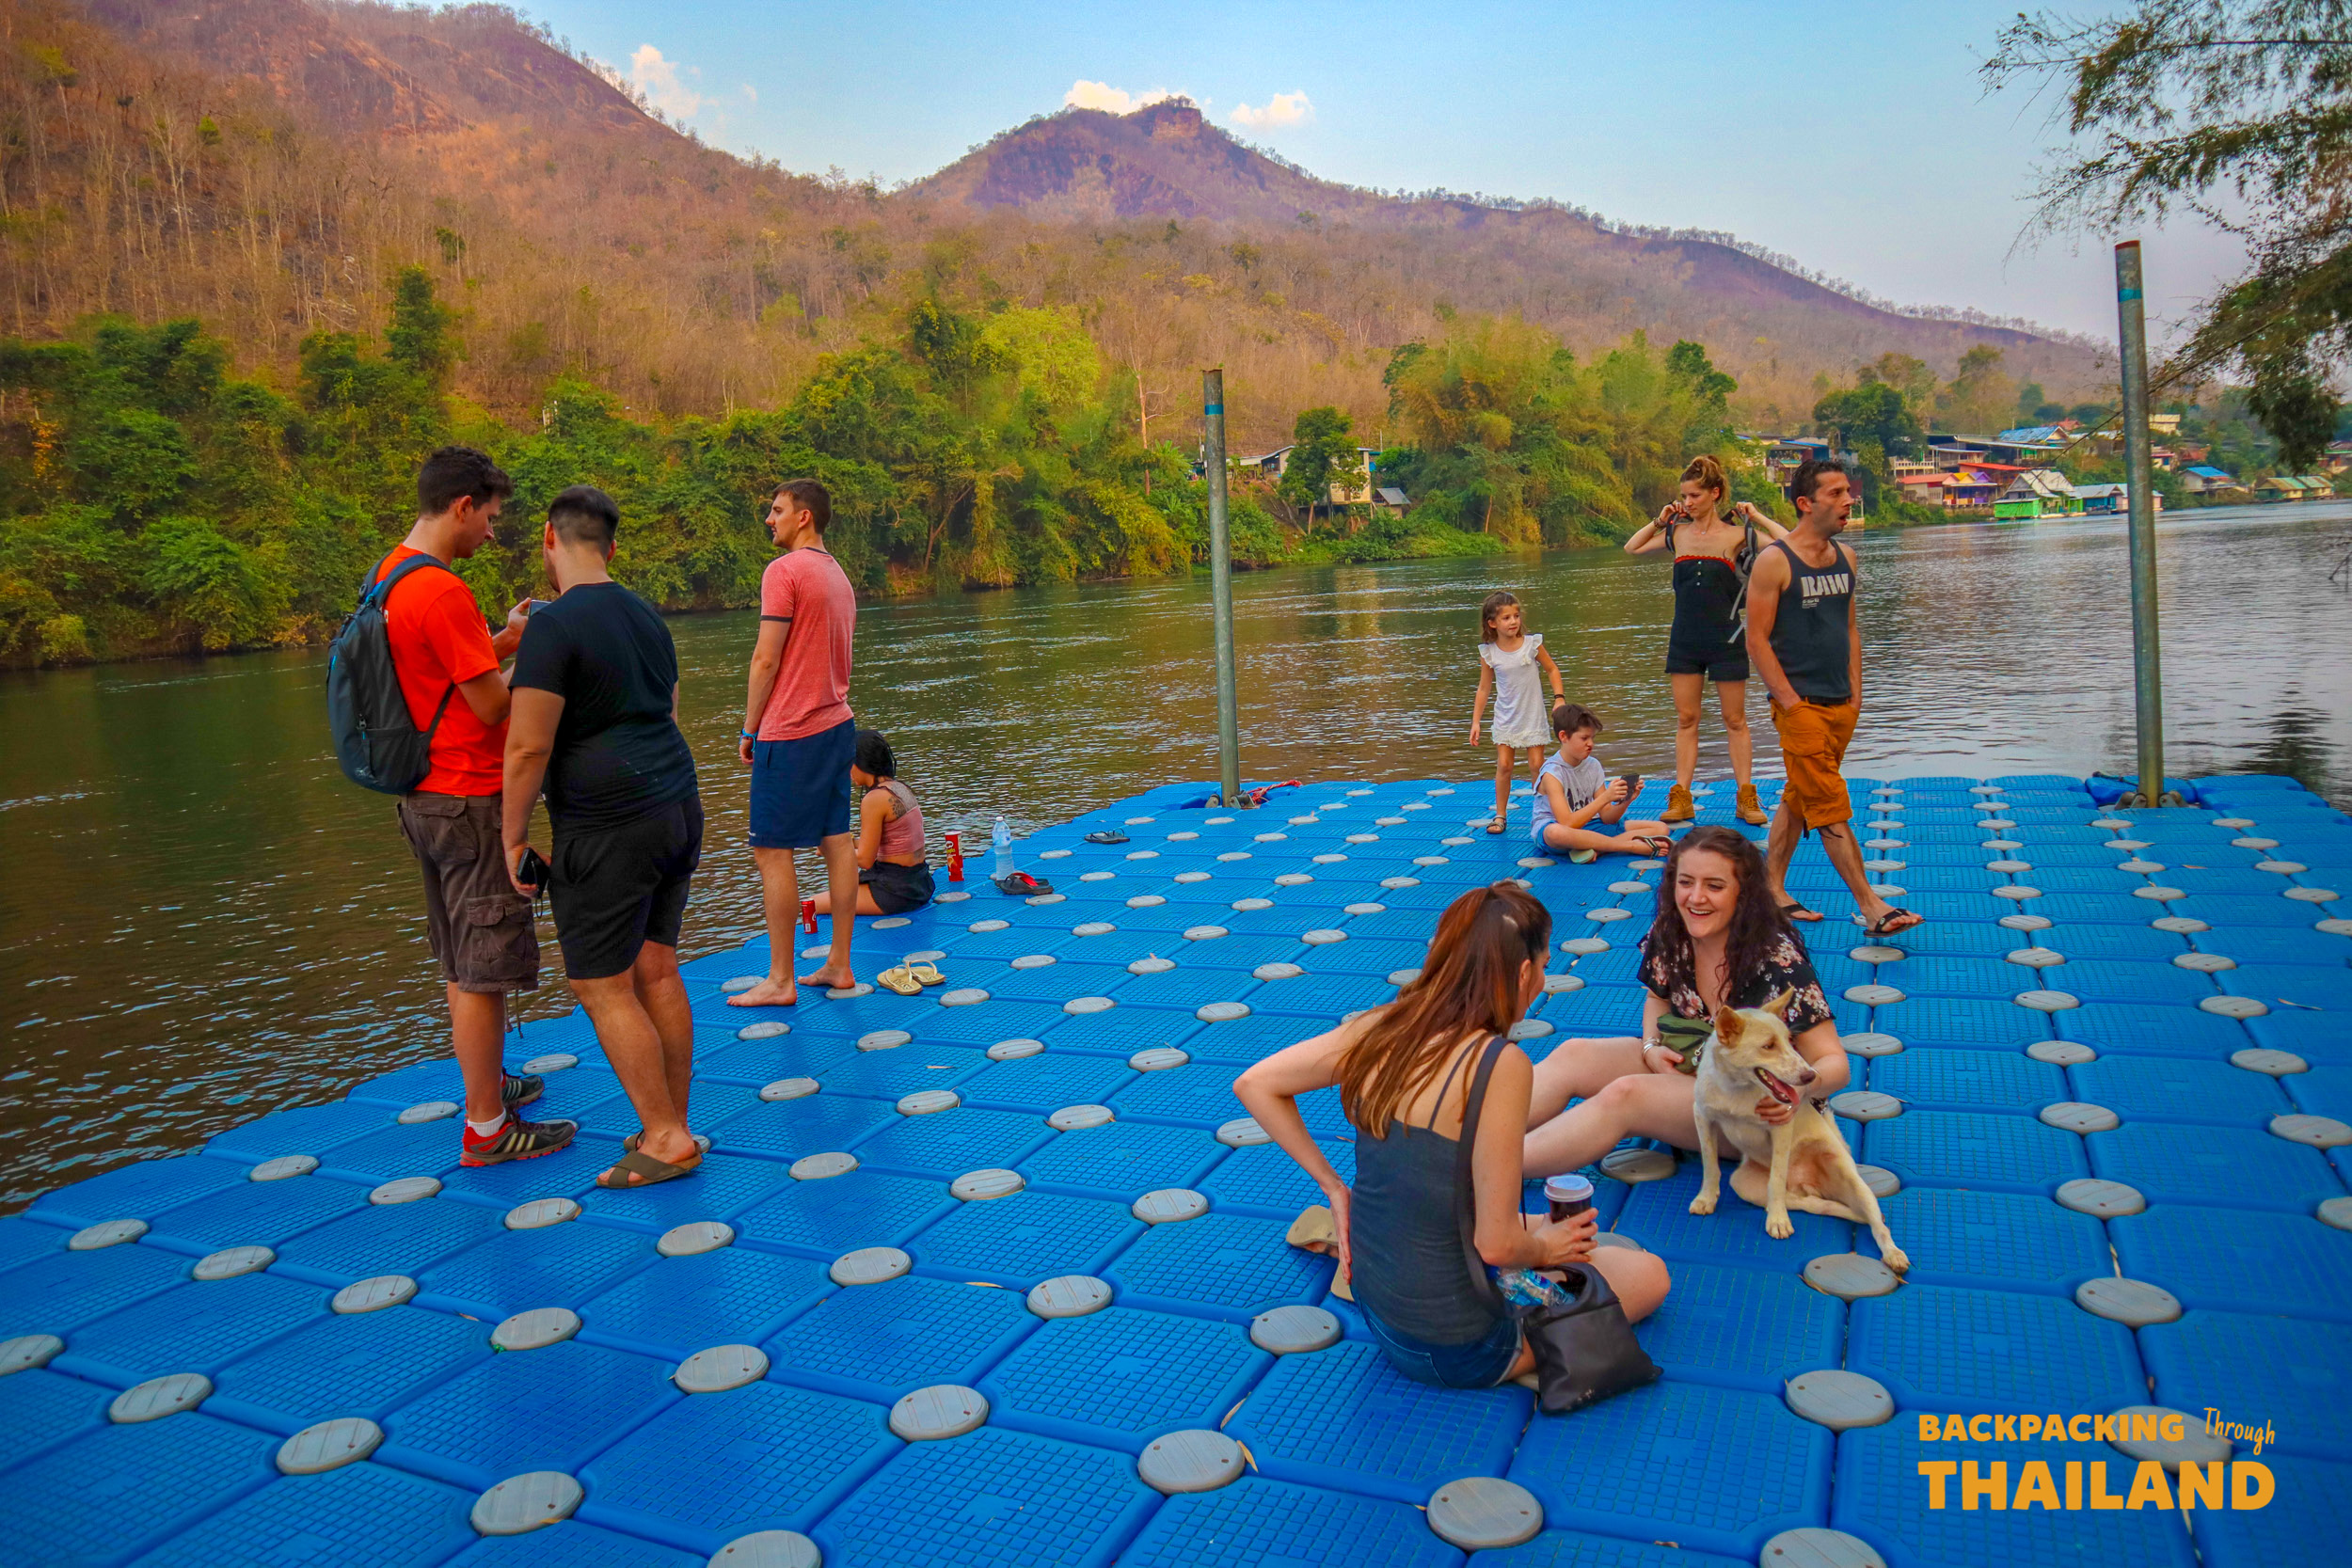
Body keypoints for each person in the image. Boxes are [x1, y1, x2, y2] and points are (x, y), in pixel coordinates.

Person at [1235, 884, 1669, 1389]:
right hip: (1462, 1348)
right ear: (1524, 972)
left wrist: (1335, 1189)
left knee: (1548, 1229)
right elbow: (1498, 1245)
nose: (1544, 980)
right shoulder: (1497, 1063)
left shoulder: (1381, 1026)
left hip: (1380, 1310)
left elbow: (1256, 1083)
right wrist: (1545, 1249)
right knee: (1646, 1272)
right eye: (1544, 965)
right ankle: (1528, 1354)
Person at [502, 485, 706, 1190]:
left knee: (598, 981)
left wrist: (511, 838)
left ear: (548, 542)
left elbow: (527, 748)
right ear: (612, 548)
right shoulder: (648, 614)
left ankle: (667, 1136)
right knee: (657, 967)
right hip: (677, 801)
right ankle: (672, 1118)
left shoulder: (553, 629)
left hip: (609, 822)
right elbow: (668, 709)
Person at [381, 446, 577, 1168]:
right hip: (468, 798)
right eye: (490, 518)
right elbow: (493, 703)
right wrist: (544, 651)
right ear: (463, 505)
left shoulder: (391, 579)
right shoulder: (441, 591)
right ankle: (489, 1126)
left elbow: (444, 674)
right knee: (484, 967)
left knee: (457, 958)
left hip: (421, 796)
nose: (493, 533)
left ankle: (488, 1083)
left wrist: (502, 640)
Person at [1519, 826, 1851, 1177]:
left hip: (1766, 1113)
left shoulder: (1777, 961)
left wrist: (1795, 1091)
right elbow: (1656, 997)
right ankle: (1464, 1137)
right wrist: (1650, 1047)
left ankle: (1487, 1170)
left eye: (1715, 886)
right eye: (1686, 882)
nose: (1696, 898)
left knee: (1627, 1095)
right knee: (1576, 1054)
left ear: (1745, 894)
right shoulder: (1673, 933)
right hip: (1696, 1068)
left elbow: (1835, 1062)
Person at [1745, 459, 1921, 936]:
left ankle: (1769, 888)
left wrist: (1857, 693)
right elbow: (1756, 640)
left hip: (1841, 704)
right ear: (1806, 504)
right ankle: (1872, 906)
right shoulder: (1775, 561)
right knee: (1829, 801)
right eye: (1836, 494)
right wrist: (1790, 703)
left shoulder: (1847, 557)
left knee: (1800, 795)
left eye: (1849, 492)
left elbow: (1849, 627)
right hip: (1798, 705)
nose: (1848, 501)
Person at [729, 480, 860, 1007]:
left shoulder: (784, 572)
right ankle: (840, 964)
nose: (769, 518)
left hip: (792, 729)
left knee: (771, 851)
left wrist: (749, 727)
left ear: (803, 517)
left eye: (777, 510)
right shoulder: (838, 576)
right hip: (837, 723)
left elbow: (766, 658)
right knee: (836, 841)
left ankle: (781, 979)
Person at [1620, 455, 1787, 827]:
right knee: (1687, 718)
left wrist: (1755, 516)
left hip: (1727, 638)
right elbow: (1631, 548)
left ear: (1715, 494)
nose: (1688, 502)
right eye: (1684, 496)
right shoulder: (1676, 533)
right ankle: (1681, 798)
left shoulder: (1737, 536)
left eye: (1695, 495)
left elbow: (1788, 543)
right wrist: (1658, 520)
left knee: (1735, 719)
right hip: (1685, 640)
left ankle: (1746, 797)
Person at [1469, 592, 1567, 836]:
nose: (1513, 622)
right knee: (1504, 765)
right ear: (1492, 623)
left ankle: (1544, 812)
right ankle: (1500, 815)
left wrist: (1559, 698)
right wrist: (1476, 721)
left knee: (1536, 765)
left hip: (1532, 715)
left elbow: (1552, 669)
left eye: (1516, 616)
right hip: (1506, 717)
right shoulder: (1489, 652)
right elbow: (1484, 688)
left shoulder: (1532, 644)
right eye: (1506, 618)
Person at [810, 729, 935, 917]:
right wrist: (847, 842)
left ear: (862, 761)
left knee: (810, 905)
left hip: (895, 892)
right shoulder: (898, 788)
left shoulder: (874, 799)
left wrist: (830, 850)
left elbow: (865, 860)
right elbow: (887, 845)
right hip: (919, 883)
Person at [1530, 702, 1674, 862]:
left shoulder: (1593, 765)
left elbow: (1607, 819)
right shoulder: (1552, 772)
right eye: (1584, 738)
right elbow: (1567, 823)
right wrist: (1605, 797)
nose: (1590, 743)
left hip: (1590, 826)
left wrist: (1625, 801)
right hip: (1560, 832)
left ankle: (1597, 849)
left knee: (1660, 828)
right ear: (1563, 736)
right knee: (1555, 833)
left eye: (1592, 738)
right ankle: (1629, 846)